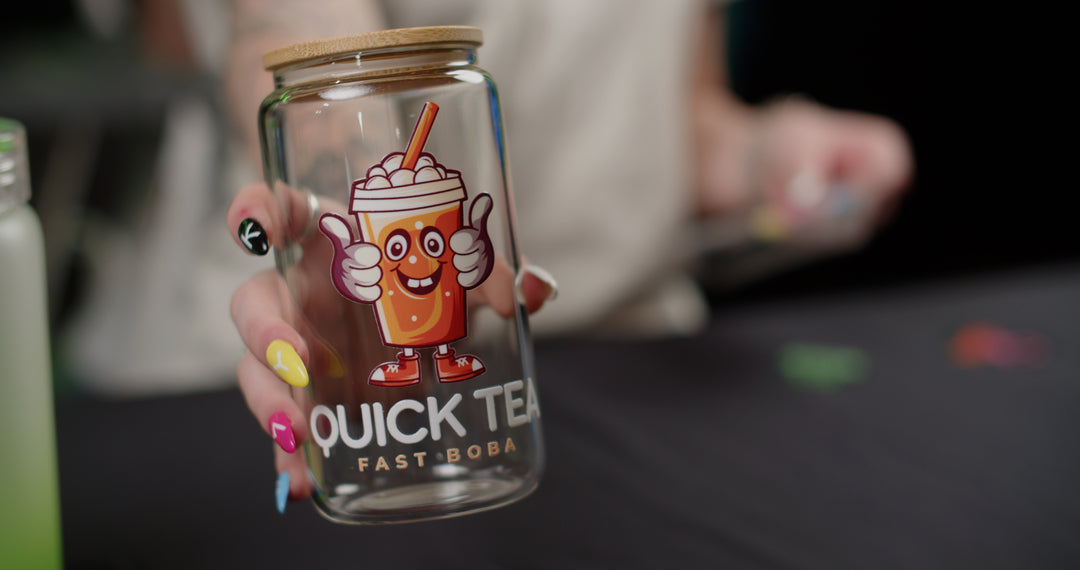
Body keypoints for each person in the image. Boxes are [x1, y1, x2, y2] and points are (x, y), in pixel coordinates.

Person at [222, 0, 913, 503]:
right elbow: (310, 59)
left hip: (639, 358)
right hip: (293, 383)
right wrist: (347, 255)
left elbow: (677, 107)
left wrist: (765, 154)